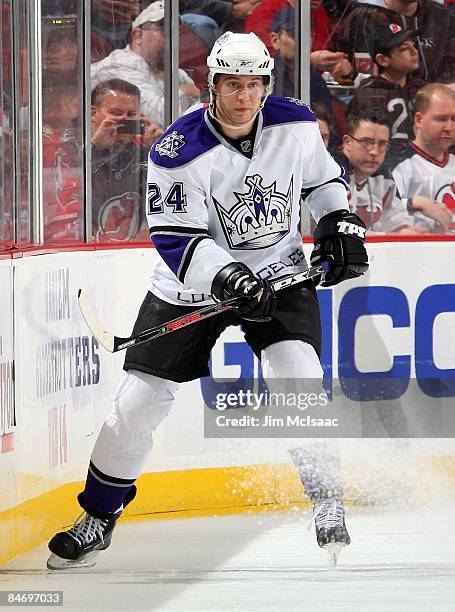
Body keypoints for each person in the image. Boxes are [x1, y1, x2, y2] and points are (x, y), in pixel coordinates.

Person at [47, 31, 368, 570]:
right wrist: (231, 279)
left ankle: (326, 499)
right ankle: (98, 517)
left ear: (266, 85)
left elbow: (322, 182)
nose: (243, 96)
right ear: (211, 85)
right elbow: (176, 237)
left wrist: (338, 222)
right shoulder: (177, 148)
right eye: (232, 84)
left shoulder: (293, 123)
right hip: (190, 285)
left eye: (253, 84)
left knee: (299, 376)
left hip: (280, 272)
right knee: (137, 405)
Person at [91, 1, 201, 128]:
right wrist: (187, 90)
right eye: (164, 29)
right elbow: (162, 117)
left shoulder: (175, 72)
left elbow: (199, 113)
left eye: (175, 31)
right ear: (138, 36)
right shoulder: (122, 63)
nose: (172, 37)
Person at [91, 78, 163, 242]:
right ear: (93, 114)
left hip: (135, 249)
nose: (124, 120)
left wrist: (161, 151)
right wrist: (95, 149)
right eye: (116, 113)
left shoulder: (145, 152)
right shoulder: (73, 147)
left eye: (131, 115)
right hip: (88, 249)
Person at [349, 25, 426, 165]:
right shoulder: (369, 94)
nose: (415, 51)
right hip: (387, 168)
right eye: (404, 49)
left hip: (423, 165)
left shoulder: (421, 88)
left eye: (414, 45)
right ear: (383, 60)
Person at [339, 107, 419, 233]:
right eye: (366, 142)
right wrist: (391, 236)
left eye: (382, 144)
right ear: (347, 143)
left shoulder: (385, 182)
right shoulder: (330, 179)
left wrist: (406, 232)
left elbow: (398, 221)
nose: (374, 152)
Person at [341, 0, 455, 85]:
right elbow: (357, 72)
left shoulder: (442, 16)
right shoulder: (365, 18)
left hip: (441, 103)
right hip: (384, 101)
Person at [392, 83, 455, 232]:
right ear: (419, 120)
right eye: (441, 119)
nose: (449, 127)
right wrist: (415, 202)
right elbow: (383, 209)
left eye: (454, 119)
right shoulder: (398, 163)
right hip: (417, 250)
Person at [270, 6, 334, 110]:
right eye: (293, 34)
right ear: (275, 40)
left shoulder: (317, 81)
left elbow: (327, 121)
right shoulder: (264, 78)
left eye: (307, 34)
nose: (301, 40)